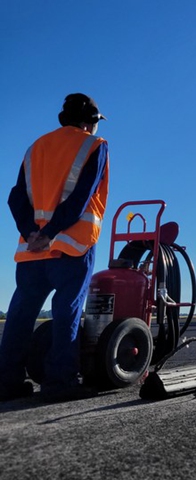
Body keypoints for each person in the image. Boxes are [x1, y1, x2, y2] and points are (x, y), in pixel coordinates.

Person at [0, 93, 109, 402]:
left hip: (32, 249)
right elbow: (81, 197)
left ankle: (6, 382)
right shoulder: (95, 146)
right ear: (89, 123)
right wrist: (51, 232)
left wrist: (31, 232)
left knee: (21, 312)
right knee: (66, 310)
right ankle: (60, 382)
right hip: (71, 245)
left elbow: (15, 197)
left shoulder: (36, 147)